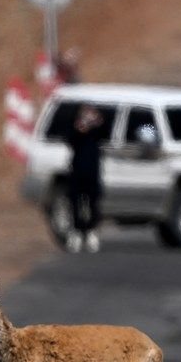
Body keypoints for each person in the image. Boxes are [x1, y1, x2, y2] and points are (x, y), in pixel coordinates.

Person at [65, 104, 105, 253]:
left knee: (93, 203)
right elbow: (70, 140)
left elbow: (104, 134)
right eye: (85, 115)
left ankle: (91, 231)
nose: (87, 119)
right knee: (76, 202)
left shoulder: (97, 131)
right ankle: (76, 232)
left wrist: (96, 124)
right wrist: (79, 129)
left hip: (93, 172)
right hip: (77, 171)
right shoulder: (75, 129)